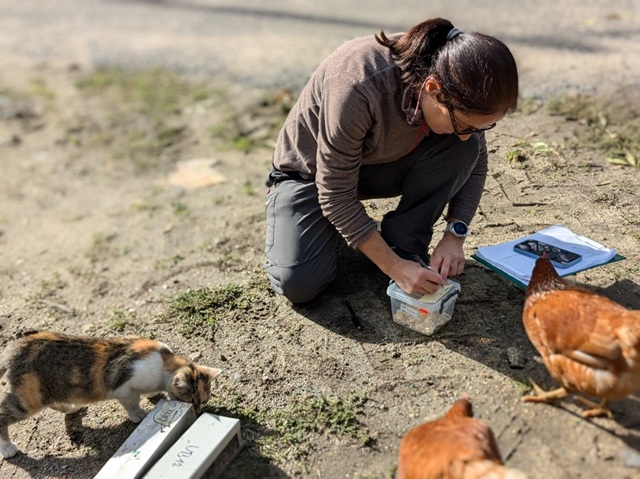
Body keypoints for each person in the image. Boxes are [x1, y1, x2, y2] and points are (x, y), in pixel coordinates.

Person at [264, 17, 518, 304]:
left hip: (374, 166)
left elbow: (476, 159)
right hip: (309, 175)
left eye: (482, 127)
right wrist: (395, 267)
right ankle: (351, 237)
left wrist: (454, 235)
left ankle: (404, 242)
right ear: (433, 89)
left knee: (465, 148)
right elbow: (334, 193)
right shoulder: (358, 84)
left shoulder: (457, 81)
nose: (467, 134)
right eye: (463, 124)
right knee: (298, 283)